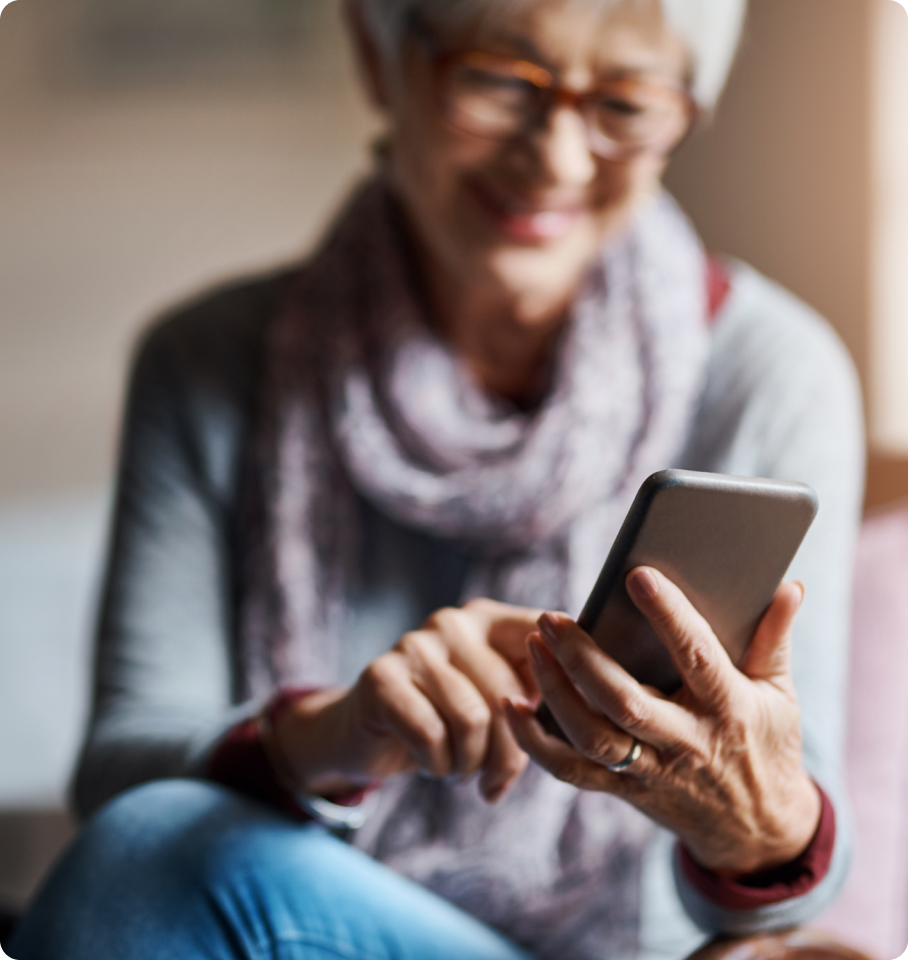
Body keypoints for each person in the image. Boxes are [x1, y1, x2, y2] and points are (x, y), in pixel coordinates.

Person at [7, 1, 864, 958]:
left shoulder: (770, 370)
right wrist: (333, 735)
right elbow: (121, 779)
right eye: (500, 80)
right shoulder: (208, 362)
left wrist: (750, 812)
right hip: (290, 927)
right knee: (144, 854)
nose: (557, 160)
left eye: (625, 103)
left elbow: (784, 893)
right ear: (380, 61)